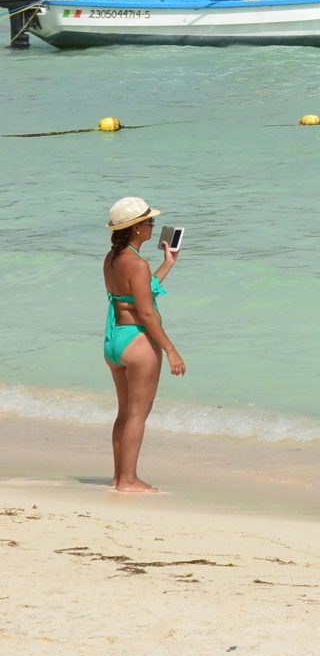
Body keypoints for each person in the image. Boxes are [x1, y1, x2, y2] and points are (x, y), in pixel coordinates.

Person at [102, 196, 184, 494]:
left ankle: (118, 476)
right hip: (137, 341)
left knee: (125, 413)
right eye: (149, 222)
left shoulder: (113, 258)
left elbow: (137, 292)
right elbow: (147, 312)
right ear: (136, 228)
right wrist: (170, 349)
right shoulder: (137, 263)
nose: (152, 226)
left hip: (114, 340)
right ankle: (129, 480)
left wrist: (168, 263)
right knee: (138, 414)